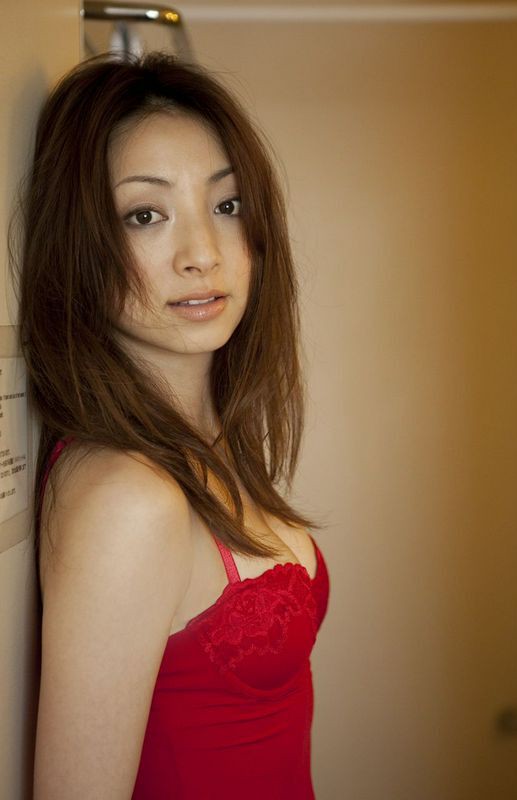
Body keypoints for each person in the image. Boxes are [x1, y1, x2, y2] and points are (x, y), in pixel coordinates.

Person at [15, 51, 330, 799]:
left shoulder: (207, 444)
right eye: (145, 215)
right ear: (81, 245)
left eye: (227, 205)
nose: (203, 255)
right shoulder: (128, 497)